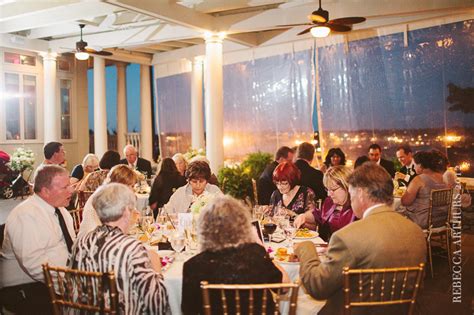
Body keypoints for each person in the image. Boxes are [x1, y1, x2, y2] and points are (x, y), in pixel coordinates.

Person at [295, 163, 426, 315]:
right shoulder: (416, 231)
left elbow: (317, 287)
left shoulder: (347, 236)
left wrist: (305, 247)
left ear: (361, 194)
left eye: (351, 193)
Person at [70, 183, 169, 314]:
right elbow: (157, 304)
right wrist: (156, 267)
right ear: (126, 211)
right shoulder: (131, 248)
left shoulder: (81, 242)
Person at [181, 195, 288, 315]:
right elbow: (284, 287)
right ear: (242, 225)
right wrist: (263, 250)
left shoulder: (193, 266)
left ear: (204, 228)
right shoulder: (256, 254)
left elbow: (189, 311)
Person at [0, 165, 75, 314]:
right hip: (24, 288)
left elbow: (71, 247)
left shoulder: (61, 210)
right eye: (65, 187)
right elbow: (35, 265)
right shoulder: (26, 215)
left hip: (53, 280)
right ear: (45, 191)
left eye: (70, 185)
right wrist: (72, 286)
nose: (71, 190)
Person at [294, 166, 356, 242]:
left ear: (347, 186)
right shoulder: (330, 202)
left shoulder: (357, 208)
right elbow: (318, 214)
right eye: (327, 189)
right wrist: (303, 216)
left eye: (332, 190)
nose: (329, 194)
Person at [77, 164, 138, 239]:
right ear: (121, 184)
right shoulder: (102, 200)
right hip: (91, 243)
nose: (133, 190)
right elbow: (99, 234)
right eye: (131, 186)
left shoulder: (116, 197)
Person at [401, 150, 449, 229]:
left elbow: (405, 202)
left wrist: (405, 192)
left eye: (414, 165)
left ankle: (405, 240)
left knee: (395, 214)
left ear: (420, 165)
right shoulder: (443, 178)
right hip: (442, 220)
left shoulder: (418, 179)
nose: (414, 167)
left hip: (422, 220)